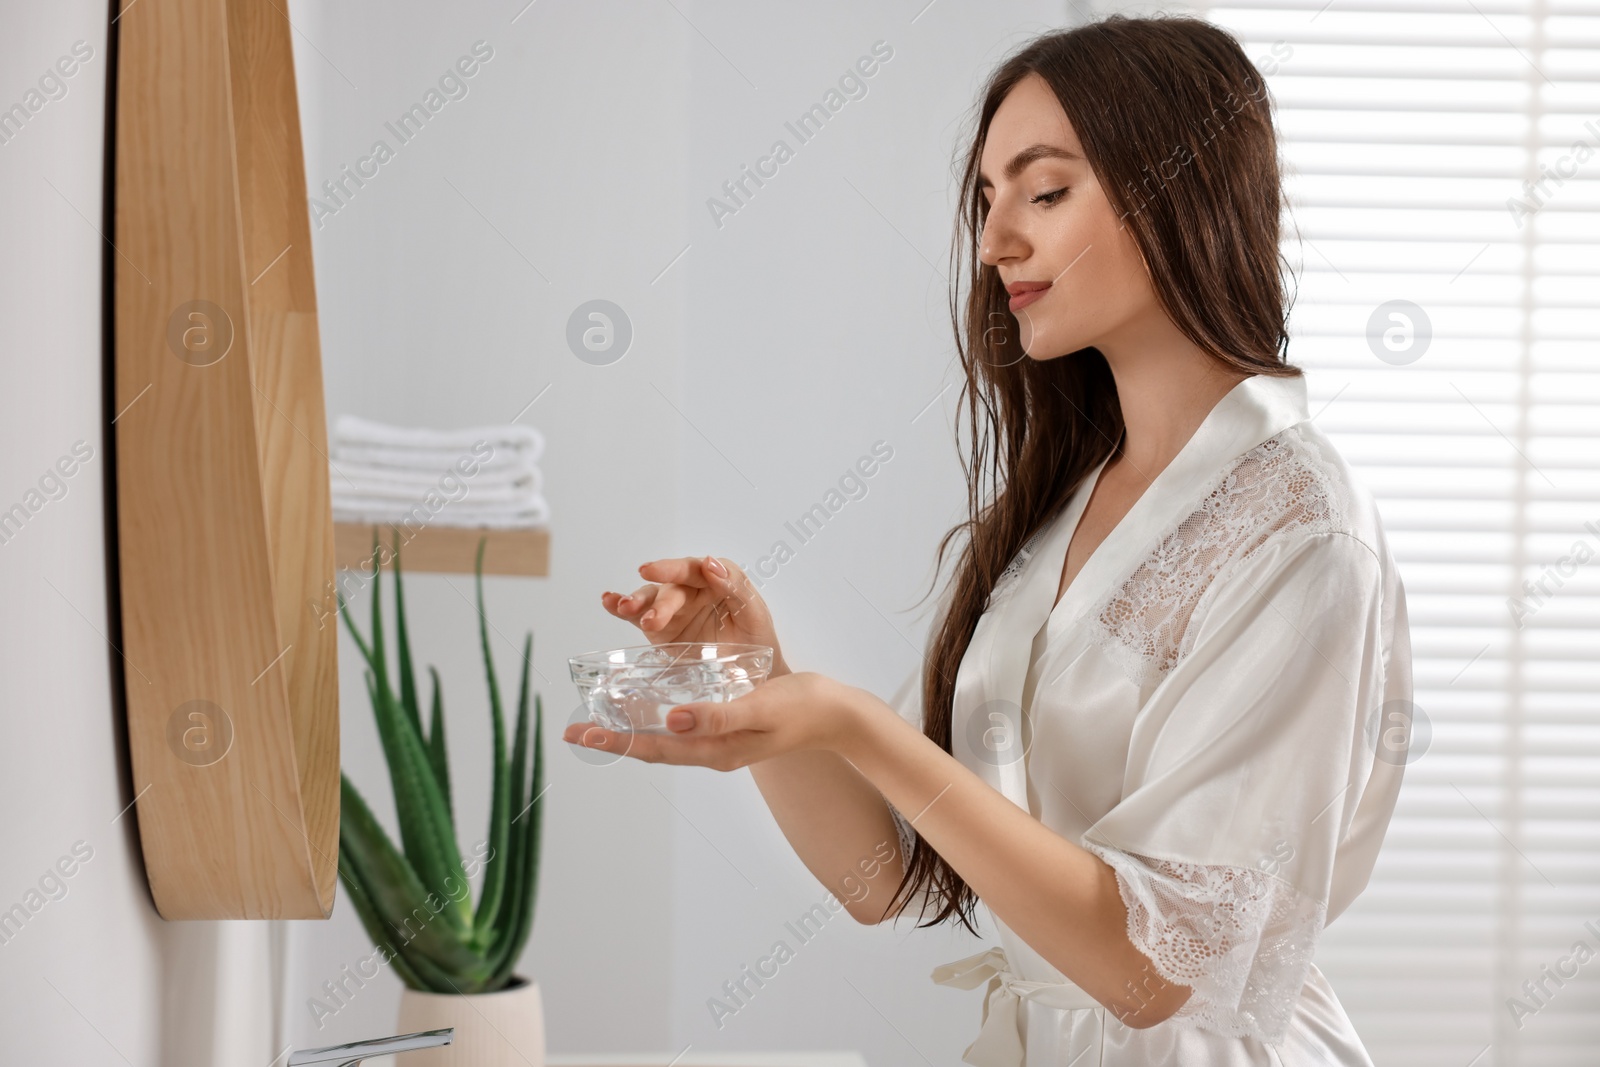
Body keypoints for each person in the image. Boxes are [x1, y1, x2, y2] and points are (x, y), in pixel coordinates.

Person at [563, 14, 1412, 1066]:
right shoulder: (1073, 498)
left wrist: (858, 722)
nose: (995, 238)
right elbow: (887, 880)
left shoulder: (1304, 532)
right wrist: (766, 692)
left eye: (1044, 191)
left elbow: (1157, 971)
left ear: (1180, 191)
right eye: (985, 199)